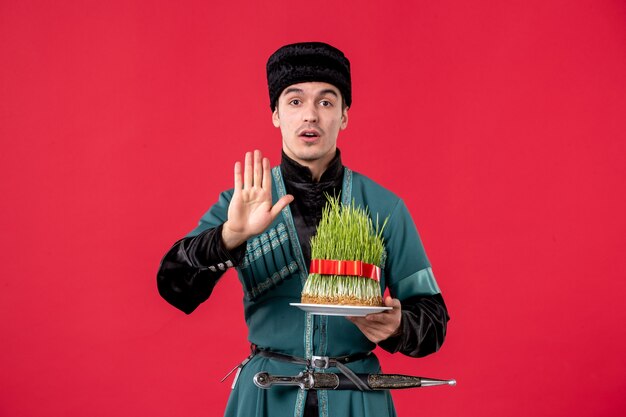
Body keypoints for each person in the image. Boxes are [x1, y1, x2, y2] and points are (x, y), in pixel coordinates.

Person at [157, 42, 449, 417]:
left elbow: (434, 319)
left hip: (356, 397)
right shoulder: (243, 201)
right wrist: (230, 235)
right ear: (275, 114)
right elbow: (173, 287)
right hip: (265, 397)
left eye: (326, 102)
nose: (310, 115)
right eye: (295, 101)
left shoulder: (384, 206)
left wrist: (397, 327)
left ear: (344, 115)